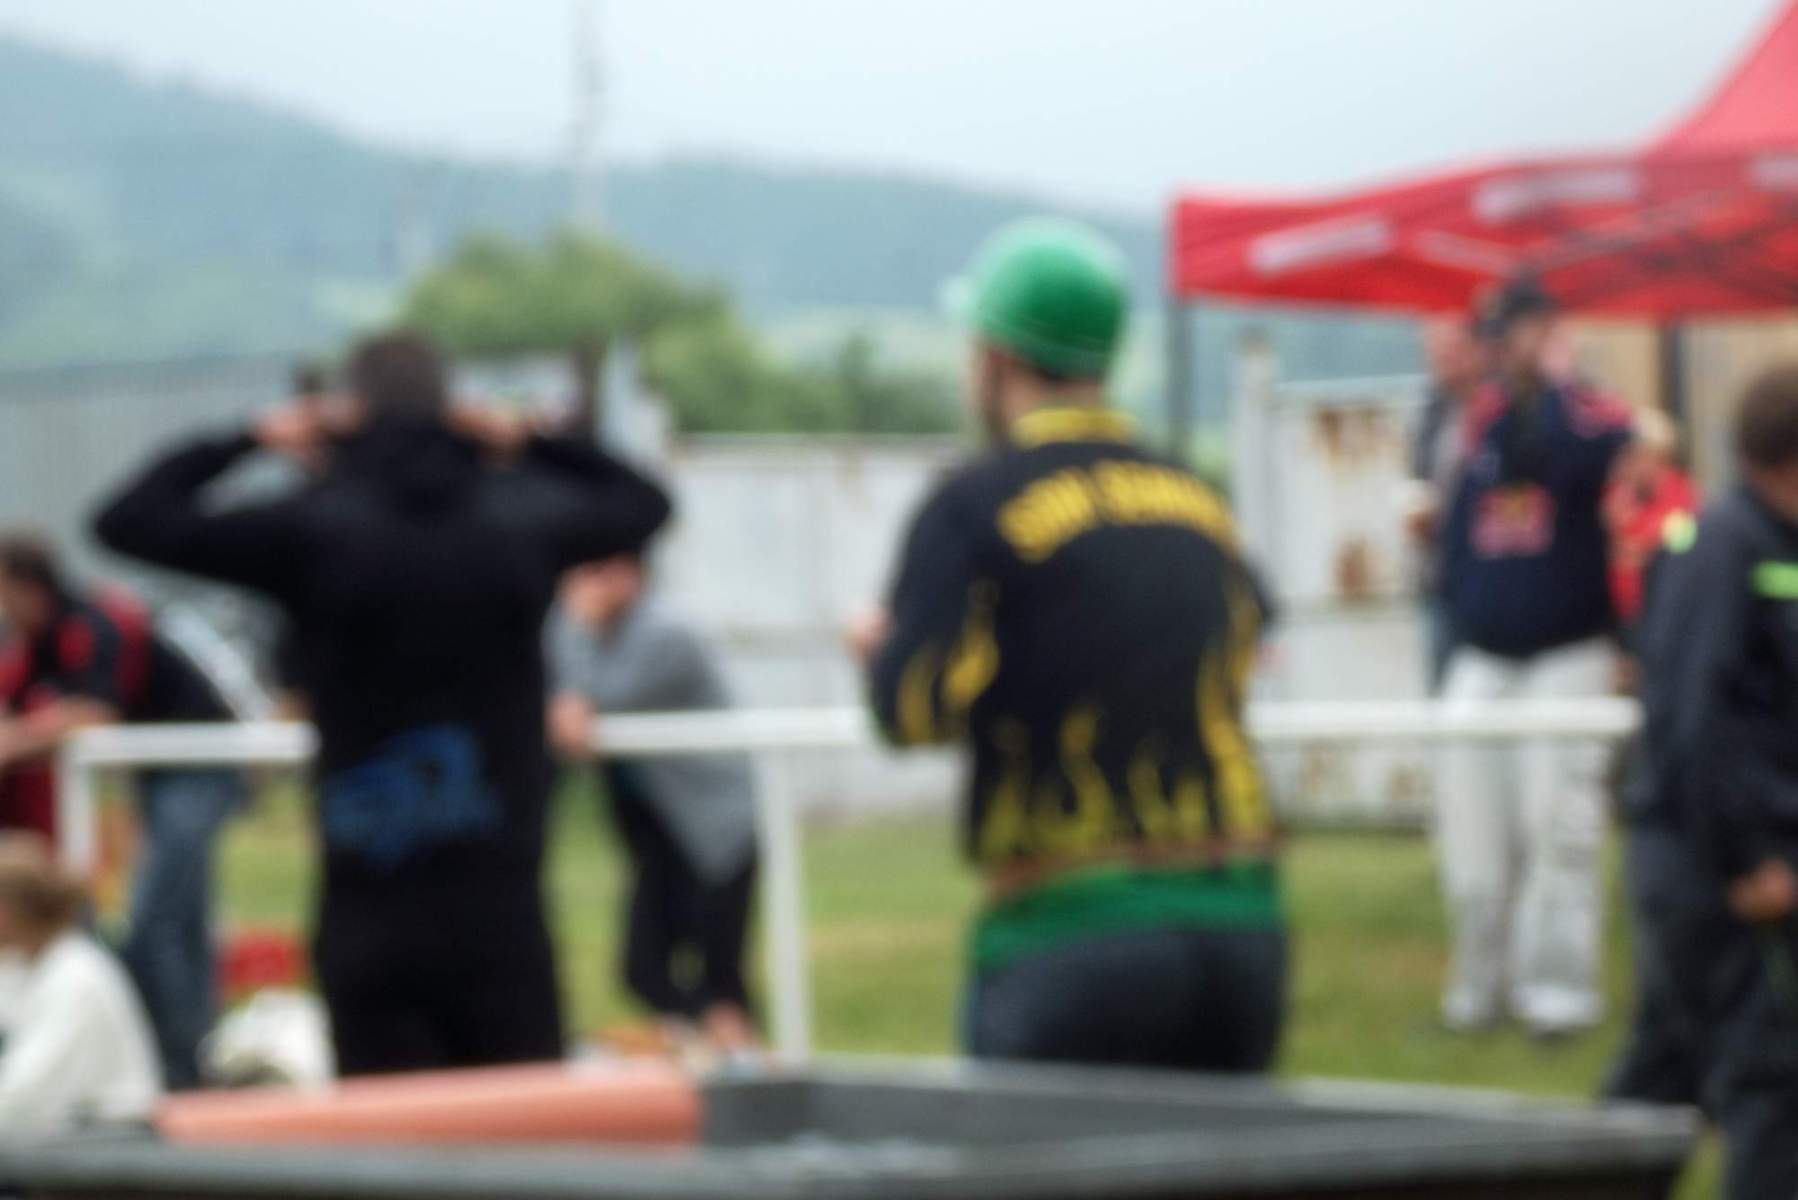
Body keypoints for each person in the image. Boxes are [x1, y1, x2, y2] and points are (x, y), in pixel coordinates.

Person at [91, 331, 672, 1076]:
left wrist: (252, 438)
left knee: (388, 1133)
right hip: (500, 910)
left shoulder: (312, 527)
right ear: (454, 409)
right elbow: (646, 503)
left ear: (348, 411)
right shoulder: (517, 518)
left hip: (368, 908)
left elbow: (127, 520)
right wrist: (528, 441)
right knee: (521, 1127)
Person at [851, 219, 1284, 1071]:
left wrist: (878, 652)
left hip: (1069, 928)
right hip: (1239, 921)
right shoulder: (1191, 494)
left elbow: (910, 713)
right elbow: (1252, 641)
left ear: (996, 359)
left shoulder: (973, 503)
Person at [1609, 364, 1798, 1199]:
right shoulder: (1725, 546)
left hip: (1711, 858)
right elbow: (1697, 722)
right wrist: (1747, 859)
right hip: (1709, 866)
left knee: (1662, 1079)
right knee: (1770, 1080)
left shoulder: (1769, 543)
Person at [1433, 281, 1636, 1036]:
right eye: (1494, 333)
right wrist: (1460, 597)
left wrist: (1554, 380)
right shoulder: (1480, 422)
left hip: (1565, 653)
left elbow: (1595, 461)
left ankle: (1556, 998)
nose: (1498, 347)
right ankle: (1477, 993)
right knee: (1473, 838)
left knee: (1559, 829)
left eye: (1511, 331)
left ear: (1546, 331)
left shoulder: (1589, 414)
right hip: (1484, 654)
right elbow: (1458, 529)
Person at [0, 535, 241, 1091]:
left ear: (25, 584)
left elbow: (94, 712)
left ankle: (182, 1070)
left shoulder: (96, 623)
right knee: (175, 922)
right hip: (151, 771)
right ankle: (183, 1058)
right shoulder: (39, 641)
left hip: (200, 761)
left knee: (159, 923)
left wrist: (13, 741)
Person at [546, 555, 759, 1053]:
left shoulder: (665, 634)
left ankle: (739, 1061)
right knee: (645, 969)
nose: (588, 587)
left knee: (716, 976)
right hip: (665, 834)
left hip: (715, 831)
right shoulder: (601, 635)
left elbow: (591, 701)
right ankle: (717, 1048)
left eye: (602, 570)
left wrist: (571, 622)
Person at [0, 833, 161, 1138]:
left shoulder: (76, 977)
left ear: (6, 911)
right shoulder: (19, 966)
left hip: (109, 1140)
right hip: (59, 1134)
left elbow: (24, 1095)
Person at [1405, 316, 1487, 693]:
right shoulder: (1429, 413)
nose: (1443, 361)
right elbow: (1419, 477)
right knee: (1443, 695)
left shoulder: (1496, 410)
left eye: (1451, 350)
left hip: (1487, 580)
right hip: (1439, 579)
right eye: (1435, 352)